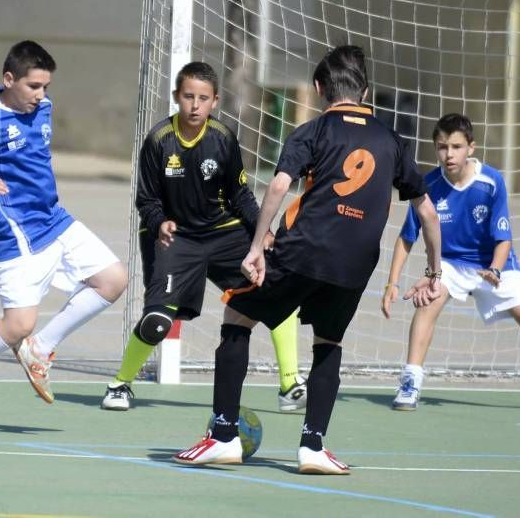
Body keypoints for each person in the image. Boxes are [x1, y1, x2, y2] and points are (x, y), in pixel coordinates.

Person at [172, 45, 442, 474]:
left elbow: (279, 186)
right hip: (355, 266)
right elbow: (427, 211)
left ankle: (222, 436)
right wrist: (433, 272)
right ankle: (313, 446)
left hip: (303, 251)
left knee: (238, 318)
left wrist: (257, 246)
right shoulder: (391, 138)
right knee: (328, 343)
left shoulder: (314, 131)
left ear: (319, 89)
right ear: (365, 91)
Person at [0, 40, 127, 431]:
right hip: (12, 232)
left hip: (54, 219)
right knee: (17, 325)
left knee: (114, 279)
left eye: (46, 86)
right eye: (34, 86)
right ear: (9, 79)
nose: (41, 95)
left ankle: (41, 350)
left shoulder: (43, 108)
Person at [101, 61, 306, 412]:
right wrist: (160, 221)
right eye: (188, 97)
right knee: (158, 321)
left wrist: (263, 231)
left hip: (223, 232)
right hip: (175, 236)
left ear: (215, 101)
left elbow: (241, 195)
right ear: (176, 97)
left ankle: (290, 385)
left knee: (275, 288)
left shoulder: (223, 139)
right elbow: (146, 199)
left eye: (203, 98)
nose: (195, 105)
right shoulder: (158, 141)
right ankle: (120, 384)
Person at [381, 113, 520, 414]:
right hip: (450, 264)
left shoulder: (491, 181)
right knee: (427, 303)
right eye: (442, 147)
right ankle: (410, 382)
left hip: (495, 263)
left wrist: (495, 270)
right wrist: (392, 283)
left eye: (456, 146)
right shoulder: (427, 184)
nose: (449, 154)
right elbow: (406, 237)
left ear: (471, 147)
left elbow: (504, 237)